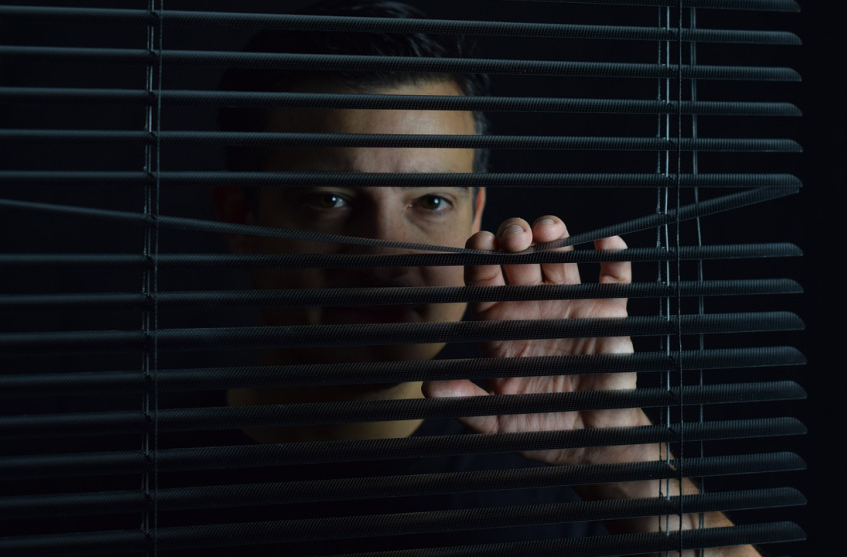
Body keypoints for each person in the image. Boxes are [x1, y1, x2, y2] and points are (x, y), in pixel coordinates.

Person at [210, 1, 761, 555]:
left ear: (475, 216)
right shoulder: (160, 477)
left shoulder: (575, 494)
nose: (385, 257)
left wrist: (620, 456)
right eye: (328, 200)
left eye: (431, 201)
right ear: (240, 219)